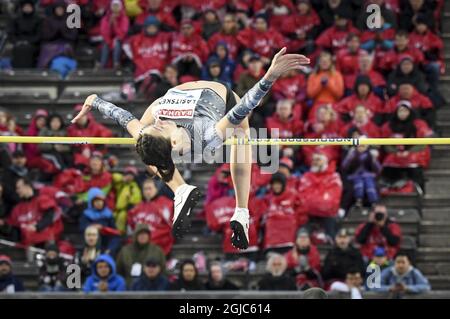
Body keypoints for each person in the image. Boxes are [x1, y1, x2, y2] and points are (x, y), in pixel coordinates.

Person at [72, 47, 310, 250]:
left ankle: (181, 190)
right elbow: (245, 106)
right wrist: (269, 76)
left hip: (177, 103)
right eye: (161, 128)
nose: (158, 122)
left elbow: (122, 115)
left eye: (156, 125)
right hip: (221, 98)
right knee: (242, 136)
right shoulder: (208, 135)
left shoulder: (149, 132)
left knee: (142, 142)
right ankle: (241, 211)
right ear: (173, 142)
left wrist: (94, 100)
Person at [297, 152, 343, 239]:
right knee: (302, 234)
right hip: (309, 215)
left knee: (333, 235)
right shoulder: (306, 177)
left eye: (318, 160)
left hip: (328, 215)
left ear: (325, 162)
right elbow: (302, 198)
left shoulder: (334, 177)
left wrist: (314, 204)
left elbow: (332, 200)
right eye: (313, 160)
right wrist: (318, 204)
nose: (315, 162)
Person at [7, 178, 64, 246]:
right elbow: (14, 228)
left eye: (19, 188)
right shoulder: (17, 208)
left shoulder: (42, 199)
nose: (17, 191)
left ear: (27, 186)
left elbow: (50, 216)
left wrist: (37, 226)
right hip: (28, 244)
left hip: (46, 240)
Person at [127, 178, 174, 255]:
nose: (148, 192)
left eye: (150, 188)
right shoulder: (137, 207)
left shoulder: (167, 204)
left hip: (158, 243)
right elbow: (131, 226)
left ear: (156, 189)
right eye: (145, 189)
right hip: (139, 242)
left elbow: (170, 226)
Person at [79, 187, 120, 255]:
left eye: (101, 200)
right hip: (91, 242)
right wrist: (93, 227)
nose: (99, 203)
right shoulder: (86, 214)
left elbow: (114, 230)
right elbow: (82, 227)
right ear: (91, 202)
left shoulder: (108, 214)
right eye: (96, 201)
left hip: (106, 242)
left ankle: (108, 252)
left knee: (116, 239)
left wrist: (104, 228)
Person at [341, 141, 382, 208]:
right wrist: (349, 158)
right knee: (359, 184)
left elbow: (378, 169)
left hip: (368, 175)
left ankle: (374, 202)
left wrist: (374, 160)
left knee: (369, 185)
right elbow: (344, 166)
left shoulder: (370, 155)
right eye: (359, 146)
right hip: (356, 175)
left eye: (363, 146)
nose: (361, 148)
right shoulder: (353, 154)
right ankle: (358, 200)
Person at [8, 0, 42, 68]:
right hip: (18, 42)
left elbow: (39, 34)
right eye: (25, 7)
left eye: (29, 7)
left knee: (28, 49)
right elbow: (11, 33)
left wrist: (28, 41)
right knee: (19, 49)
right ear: (22, 8)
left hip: (32, 43)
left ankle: (29, 69)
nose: (27, 8)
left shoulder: (38, 20)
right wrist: (17, 41)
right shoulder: (16, 19)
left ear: (32, 8)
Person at [99, 0, 129, 69]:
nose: (115, 8)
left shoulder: (124, 19)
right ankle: (102, 65)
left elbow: (122, 34)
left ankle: (116, 63)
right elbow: (104, 33)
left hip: (121, 40)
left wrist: (115, 25)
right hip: (109, 40)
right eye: (114, 6)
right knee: (105, 44)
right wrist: (110, 24)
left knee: (117, 42)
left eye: (117, 6)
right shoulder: (105, 19)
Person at [112, 166, 142, 233]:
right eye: (128, 174)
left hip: (124, 213)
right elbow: (113, 177)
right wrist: (122, 179)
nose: (130, 176)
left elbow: (137, 199)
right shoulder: (120, 183)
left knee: (119, 232)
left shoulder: (133, 186)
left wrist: (130, 198)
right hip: (114, 211)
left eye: (132, 175)